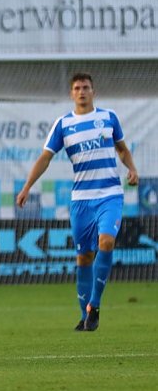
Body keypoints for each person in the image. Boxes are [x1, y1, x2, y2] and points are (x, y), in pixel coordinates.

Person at [16, 73, 138, 332]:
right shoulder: (63, 124)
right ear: (72, 94)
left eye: (86, 87)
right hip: (82, 200)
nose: (82, 91)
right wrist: (27, 186)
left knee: (106, 241)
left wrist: (132, 168)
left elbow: (122, 149)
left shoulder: (108, 118)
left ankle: (95, 305)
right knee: (84, 257)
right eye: (77, 88)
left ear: (94, 91)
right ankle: (86, 317)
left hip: (110, 194)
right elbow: (45, 158)